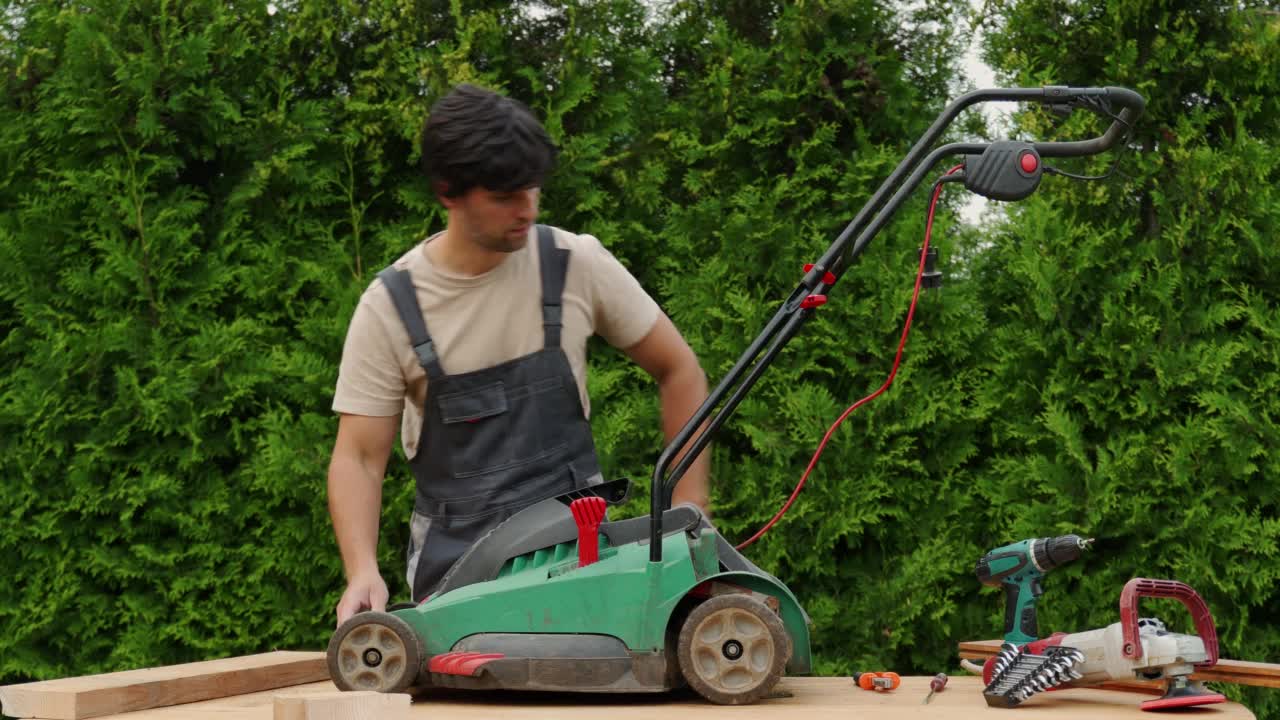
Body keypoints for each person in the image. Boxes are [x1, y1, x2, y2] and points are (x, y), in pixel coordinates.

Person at [327, 84, 711, 625]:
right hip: (455, 591)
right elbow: (359, 459)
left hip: (585, 572)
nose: (526, 208)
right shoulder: (391, 308)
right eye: (505, 196)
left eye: (531, 188)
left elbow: (680, 371)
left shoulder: (574, 264)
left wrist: (689, 523)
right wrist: (362, 570)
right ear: (448, 192)